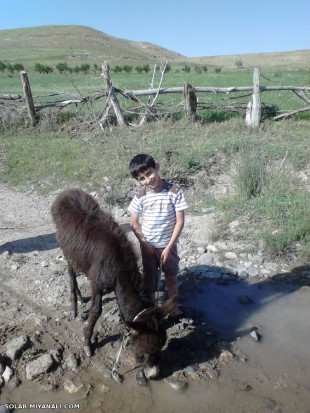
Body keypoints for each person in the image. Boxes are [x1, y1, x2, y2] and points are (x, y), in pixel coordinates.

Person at [128, 153, 189, 317]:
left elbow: (180, 222)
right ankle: (151, 309)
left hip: (168, 244)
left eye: (149, 173)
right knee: (150, 279)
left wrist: (169, 246)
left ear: (157, 167)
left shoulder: (174, 191)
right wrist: (144, 243)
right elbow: (133, 223)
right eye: (142, 178)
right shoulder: (141, 195)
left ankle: (173, 307)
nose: (148, 180)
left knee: (171, 277)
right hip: (149, 246)